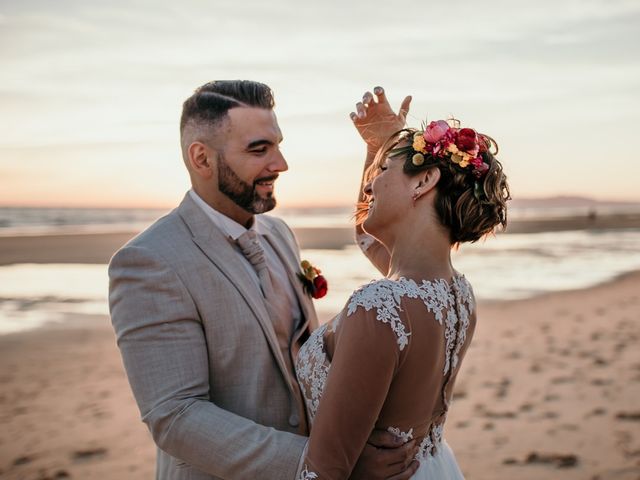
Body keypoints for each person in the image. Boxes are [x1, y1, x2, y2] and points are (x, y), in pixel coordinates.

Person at [108, 80, 418, 480]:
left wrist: (379, 150)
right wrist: (322, 464)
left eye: (277, 144)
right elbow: (176, 416)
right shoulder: (149, 261)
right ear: (201, 159)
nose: (281, 163)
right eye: (259, 150)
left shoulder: (279, 234)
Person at [295, 87, 510, 479]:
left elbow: (322, 473)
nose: (368, 186)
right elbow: (366, 235)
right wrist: (379, 147)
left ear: (423, 181)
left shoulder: (379, 307)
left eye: (382, 172)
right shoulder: (458, 294)